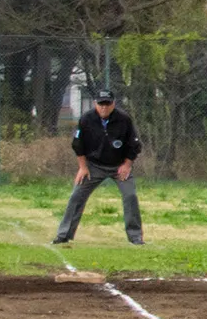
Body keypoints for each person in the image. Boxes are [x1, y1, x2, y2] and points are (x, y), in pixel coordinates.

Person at [53, 89, 144, 245]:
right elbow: (78, 145)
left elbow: (134, 145)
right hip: (93, 166)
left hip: (119, 166)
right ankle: (64, 235)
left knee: (130, 196)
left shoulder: (124, 119)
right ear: (95, 104)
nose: (104, 107)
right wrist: (83, 167)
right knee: (77, 196)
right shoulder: (86, 119)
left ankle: (135, 238)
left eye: (107, 103)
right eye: (101, 103)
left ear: (113, 104)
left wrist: (127, 165)